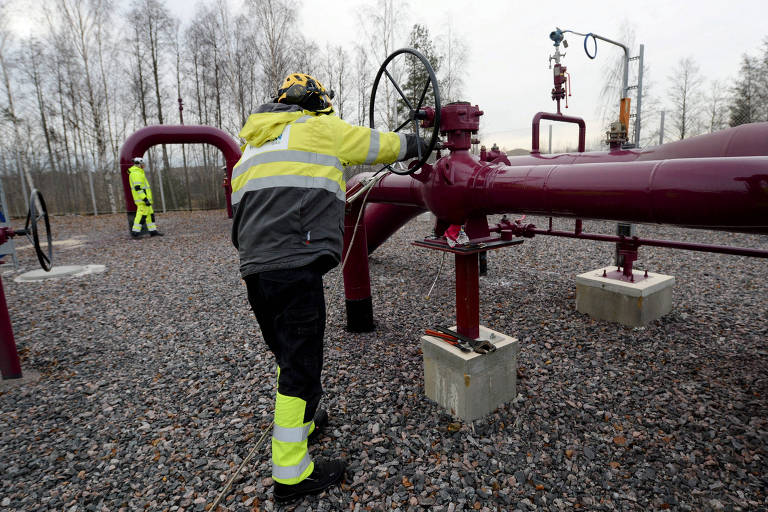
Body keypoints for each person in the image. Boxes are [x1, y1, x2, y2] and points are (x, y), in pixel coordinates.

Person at [231, 73, 427, 503]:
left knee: (288, 353)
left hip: (256, 272)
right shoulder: (318, 129)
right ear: (316, 101)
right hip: (293, 268)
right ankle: (291, 474)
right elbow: (380, 146)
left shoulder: (251, 149)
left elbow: (239, 215)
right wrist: (421, 142)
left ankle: (304, 421)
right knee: (300, 368)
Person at [127, 157, 163, 238]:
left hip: (145, 200)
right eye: (142, 164)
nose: (144, 166)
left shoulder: (139, 172)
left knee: (150, 215)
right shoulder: (136, 173)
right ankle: (135, 233)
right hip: (142, 200)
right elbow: (138, 188)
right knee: (141, 216)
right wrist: (145, 199)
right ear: (138, 164)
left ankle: (153, 231)